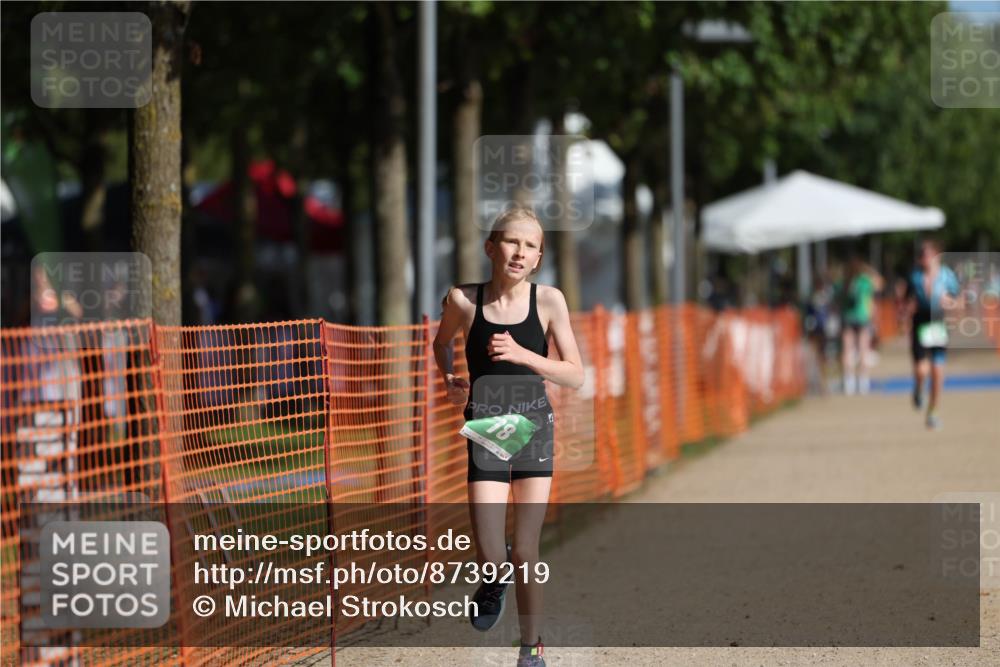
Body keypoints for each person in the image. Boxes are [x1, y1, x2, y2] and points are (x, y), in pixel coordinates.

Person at [432, 206, 584, 667]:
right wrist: (448, 375)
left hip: (534, 425)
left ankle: (531, 650)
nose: (520, 252)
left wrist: (524, 354)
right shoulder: (464, 301)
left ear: (539, 257)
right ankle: (491, 581)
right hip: (486, 427)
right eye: (512, 242)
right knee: (493, 551)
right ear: (491, 247)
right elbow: (441, 342)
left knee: (525, 549)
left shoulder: (549, 301)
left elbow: (575, 375)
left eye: (531, 245)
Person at [905, 238, 961, 429]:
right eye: (922, 255)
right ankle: (919, 388)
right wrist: (908, 309)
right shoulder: (914, 277)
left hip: (937, 323)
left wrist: (951, 303)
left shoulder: (947, 276)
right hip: (920, 323)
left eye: (928, 254)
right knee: (922, 370)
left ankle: (933, 411)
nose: (925, 258)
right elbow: (906, 301)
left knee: (937, 370)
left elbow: (959, 300)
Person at [838, 254, 884, 395]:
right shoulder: (865, 281)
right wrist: (868, 270)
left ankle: (848, 381)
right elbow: (880, 283)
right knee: (863, 348)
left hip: (847, 318)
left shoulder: (843, 282)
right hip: (862, 318)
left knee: (847, 349)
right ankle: (863, 381)